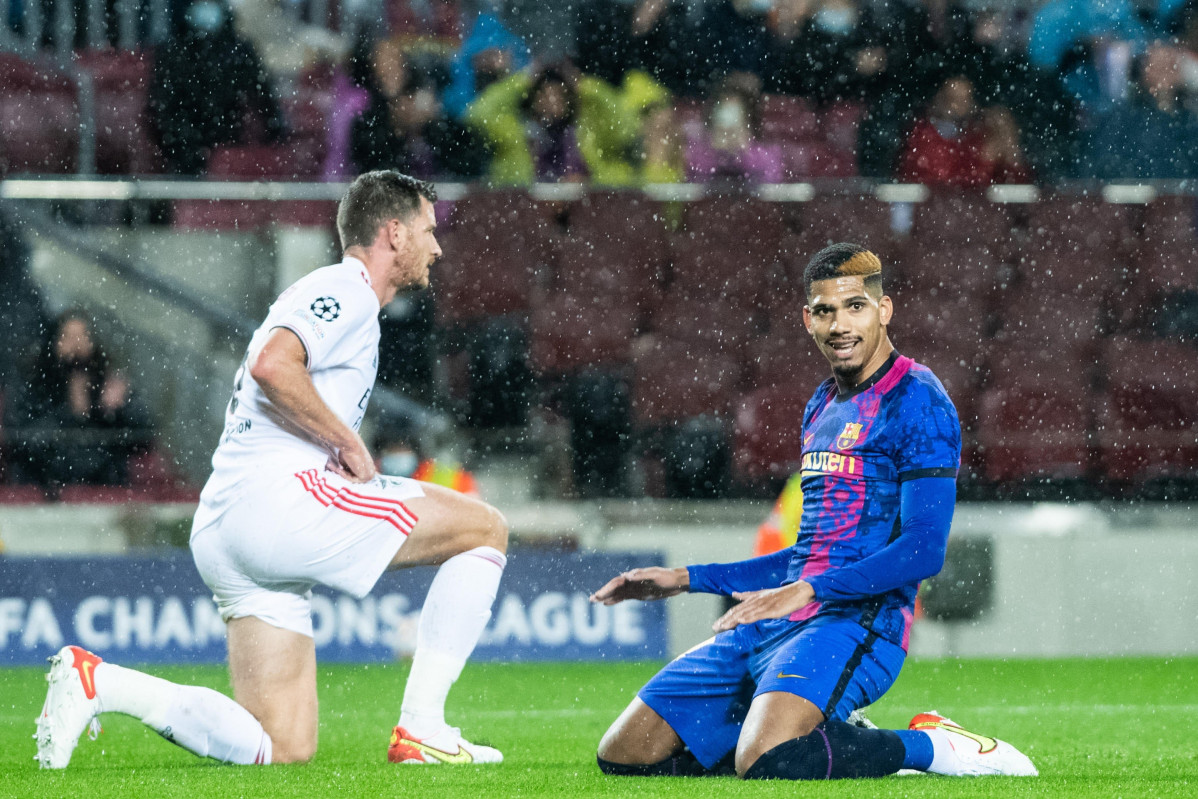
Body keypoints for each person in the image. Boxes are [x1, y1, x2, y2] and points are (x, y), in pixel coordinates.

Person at [35, 171, 509, 769]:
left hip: (228, 523)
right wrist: (347, 442)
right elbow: (272, 365)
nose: (437, 246)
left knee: (281, 745)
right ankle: (424, 729)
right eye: (428, 230)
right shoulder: (347, 288)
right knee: (484, 530)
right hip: (277, 502)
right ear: (394, 232)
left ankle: (101, 683)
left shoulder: (338, 297)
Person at [590, 243, 1037, 781]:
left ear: (884, 310)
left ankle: (934, 747)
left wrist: (809, 590)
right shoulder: (821, 405)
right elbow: (809, 555)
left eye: (855, 307)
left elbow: (923, 550)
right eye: (825, 311)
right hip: (783, 620)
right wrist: (686, 579)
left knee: (767, 759)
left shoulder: (918, 399)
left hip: (857, 624)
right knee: (625, 754)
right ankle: (826, 736)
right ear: (808, 320)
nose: (839, 325)